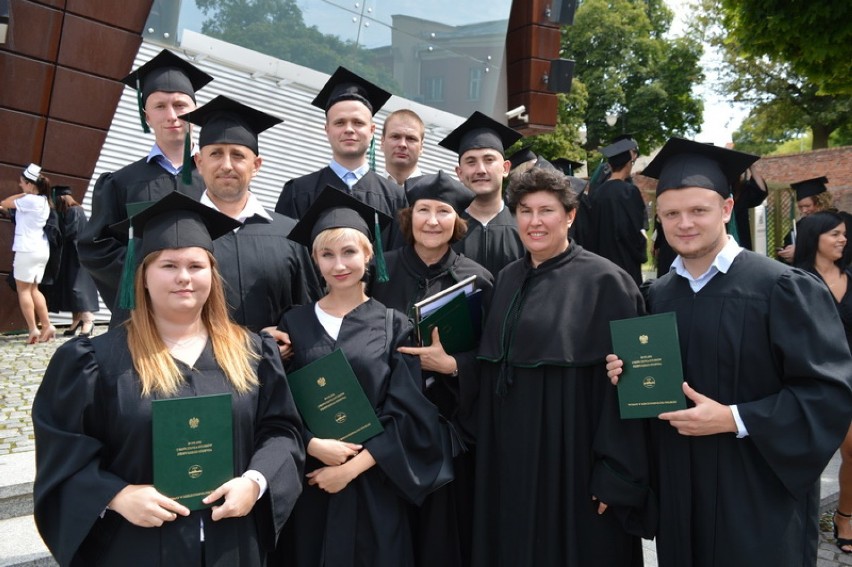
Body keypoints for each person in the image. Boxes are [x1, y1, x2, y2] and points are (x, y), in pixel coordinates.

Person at [606, 137, 852, 567]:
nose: (684, 223)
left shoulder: (782, 287)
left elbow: (828, 394)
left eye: (698, 210)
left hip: (758, 491)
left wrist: (735, 418)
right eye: (671, 214)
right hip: (680, 491)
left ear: (725, 209)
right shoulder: (656, 296)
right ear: (658, 218)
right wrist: (623, 372)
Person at [32, 191, 305, 566]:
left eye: (196, 266)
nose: (184, 278)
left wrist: (255, 481)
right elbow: (64, 453)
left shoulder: (253, 353)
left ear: (212, 273)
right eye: (168, 266)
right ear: (141, 276)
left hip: (233, 544)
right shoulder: (96, 361)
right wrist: (116, 495)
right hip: (137, 546)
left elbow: (281, 431)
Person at [471, 166, 654, 566]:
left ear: (569, 216)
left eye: (546, 210)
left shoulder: (608, 282)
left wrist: (617, 475)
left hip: (573, 461)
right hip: (510, 460)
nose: (534, 221)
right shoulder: (505, 279)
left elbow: (632, 386)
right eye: (524, 210)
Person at [277, 186, 447, 567]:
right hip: (311, 481)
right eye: (327, 254)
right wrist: (310, 444)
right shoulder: (294, 324)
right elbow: (278, 405)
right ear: (315, 260)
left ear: (369, 255)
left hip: (375, 484)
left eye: (350, 252)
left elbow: (409, 413)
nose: (339, 264)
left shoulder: (394, 325)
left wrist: (352, 468)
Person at [370, 171, 493, 567]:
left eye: (444, 211)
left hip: (448, 427)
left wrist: (454, 365)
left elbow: (493, 355)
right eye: (423, 210)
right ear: (409, 216)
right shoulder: (379, 273)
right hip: (388, 426)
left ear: (458, 222)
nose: (433, 220)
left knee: (443, 538)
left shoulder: (477, 279)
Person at [179, 95, 320, 353]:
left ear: (256, 165)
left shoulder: (290, 234)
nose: (227, 165)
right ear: (199, 162)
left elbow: (310, 311)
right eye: (216, 154)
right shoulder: (177, 231)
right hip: (199, 378)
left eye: (238, 155)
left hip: (278, 379)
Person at [78, 49, 213, 314]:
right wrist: (146, 280)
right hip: (142, 315)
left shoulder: (218, 178)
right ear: (147, 116)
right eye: (160, 106)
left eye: (180, 105)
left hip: (210, 309)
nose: (172, 115)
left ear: (195, 110)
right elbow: (95, 247)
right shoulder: (120, 182)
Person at [274, 66, 407, 251]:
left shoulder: (395, 197)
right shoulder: (298, 192)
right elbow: (286, 254)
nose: (349, 129)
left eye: (358, 122)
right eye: (340, 122)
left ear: (372, 130)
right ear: (327, 129)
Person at [792, 211, 852, 553]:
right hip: (813, 379)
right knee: (809, 454)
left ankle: (843, 515)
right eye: (834, 234)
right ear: (815, 237)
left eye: (844, 234)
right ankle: (797, 519)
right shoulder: (794, 280)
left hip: (851, 375)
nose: (842, 239)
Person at [440, 111, 525, 277]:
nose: (480, 170)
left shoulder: (524, 226)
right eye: (471, 162)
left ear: (506, 168)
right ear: (459, 172)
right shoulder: (446, 229)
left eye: (489, 160)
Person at [1, 164, 56, 343]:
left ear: (31, 185)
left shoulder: (29, 200)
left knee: (23, 290)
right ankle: (47, 326)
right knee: (33, 289)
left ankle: (33, 329)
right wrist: (28, 192)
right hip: (40, 249)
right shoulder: (44, 202)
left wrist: (25, 194)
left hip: (27, 248)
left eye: (23, 183)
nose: (20, 185)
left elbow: (5, 203)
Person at [585, 138, 647, 285]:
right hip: (625, 262)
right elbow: (633, 230)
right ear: (628, 164)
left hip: (601, 262)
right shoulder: (629, 192)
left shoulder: (596, 193)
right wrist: (641, 245)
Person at [49, 186, 99, 337]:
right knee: (71, 288)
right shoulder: (75, 210)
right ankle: (76, 321)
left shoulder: (74, 211)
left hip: (76, 256)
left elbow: (70, 232)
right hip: (73, 254)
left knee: (76, 288)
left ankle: (88, 320)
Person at [777, 176, 834, 263]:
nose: (804, 210)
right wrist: (786, 253)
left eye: (807, 206)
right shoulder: (801, 224)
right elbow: (789, 243)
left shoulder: (838, 221)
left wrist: (799, 252)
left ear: (820, 202)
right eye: (800, 207)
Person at [381, 108, 425, 185]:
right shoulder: (364, 190)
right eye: (395, 136)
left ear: (421, 147)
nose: (402, 144)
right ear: (382, 142)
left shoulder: (434, 194)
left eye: (411, 138)